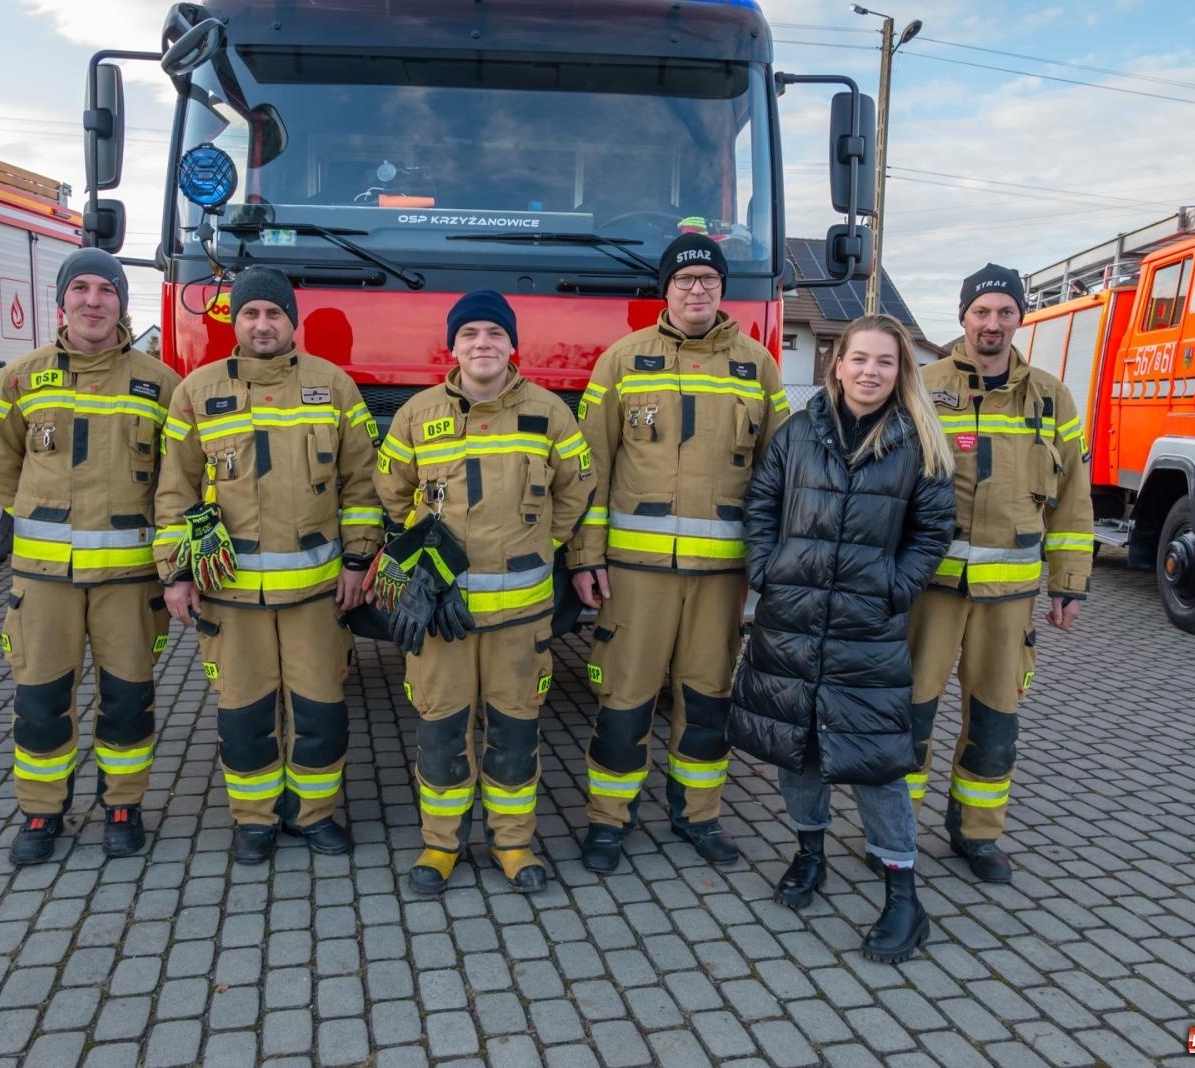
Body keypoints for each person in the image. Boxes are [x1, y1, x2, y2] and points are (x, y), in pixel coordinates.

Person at [728, 314, 955, 963]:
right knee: (795, 750)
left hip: (865, 627)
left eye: (884, 362)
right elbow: (762, 502)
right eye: (859, 359)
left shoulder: (918, 444)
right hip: (793, 618)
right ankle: (810, 854)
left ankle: (904, 899)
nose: (869, 372)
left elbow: (933, 529)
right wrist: (766, 569)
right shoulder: (799, 431)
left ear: (899, 371)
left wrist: (895, 586)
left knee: (877, 762)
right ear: (837, 364)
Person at [566, 234, 791, 873]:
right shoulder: (621, 360)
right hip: (635, 576)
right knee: (625, 699)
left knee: (708, 700)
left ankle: (699, 815)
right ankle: (609, 822)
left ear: (724, 290)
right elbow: (591, 468)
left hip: (722, 578)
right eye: (685, 279)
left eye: (709, 280)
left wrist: (771, 568)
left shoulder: (759, 366)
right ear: (665, 289)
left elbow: (781, 474)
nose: (698, 289)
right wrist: (586, 558)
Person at [155, 267, 384, 865]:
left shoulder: (334, 387)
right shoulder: (196, 391)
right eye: (251, 313)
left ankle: (315, 815)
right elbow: (174, 493)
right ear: (234, 319)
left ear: (292, 322)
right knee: (245, 714)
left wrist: (359, 560)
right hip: (230, 597)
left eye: (274, 314)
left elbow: (363, 485)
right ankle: (253, 819)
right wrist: (175, 574)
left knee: (320, 712)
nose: (262, 324)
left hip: (316, 595)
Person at [374, 290, 592, 896]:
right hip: (442, 616)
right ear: (453, 346)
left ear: (512, 345)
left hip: (521, 618)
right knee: (441, 733)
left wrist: (543, 541)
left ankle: (513, 843)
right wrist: (416, 556)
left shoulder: (549, 413)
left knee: (514, 735)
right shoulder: (417, 415)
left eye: (494, 334)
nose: (482, 345)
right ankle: (441, 846)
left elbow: (577, 489)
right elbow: (390, 492)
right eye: (469, 334)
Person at [0, 248, 181, 866]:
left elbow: (179, 474)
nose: (93, 301)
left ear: (123, 302)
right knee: (40, 699)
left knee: (127, 697)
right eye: (81, 289)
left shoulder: (160, 382)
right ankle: (41, 813)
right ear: (61, 301)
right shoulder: (20, 377)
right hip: (44, 583)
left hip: (129, 579)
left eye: (106, 290)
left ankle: (123, 804)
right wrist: (34, 515)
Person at [909, 264, 1094, 883]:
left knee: (994, 720)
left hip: (1009, 596)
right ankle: (894, 829)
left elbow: (1073, 498)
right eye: (981, 312)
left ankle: (977, 833)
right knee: (909, 715)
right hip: (926, 591)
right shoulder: (920, 385)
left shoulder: (1051, 396)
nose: (992, 324)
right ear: (962, 317)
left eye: (1004, 312)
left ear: (1020, 318)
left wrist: (1069, 581)